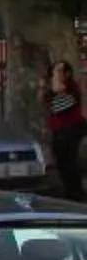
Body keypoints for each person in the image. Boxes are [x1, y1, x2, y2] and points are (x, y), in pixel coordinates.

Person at [47, 61, 85, 198]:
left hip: (71, 128)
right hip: (59, 129)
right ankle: (70, 190)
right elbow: (45, 100)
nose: (55, 74)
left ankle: (75, 191)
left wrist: (57, 71)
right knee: (62, 162)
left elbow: (58, 90)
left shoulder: (70, 87)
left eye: (59, 71)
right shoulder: (52, 89)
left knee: (70, 161)